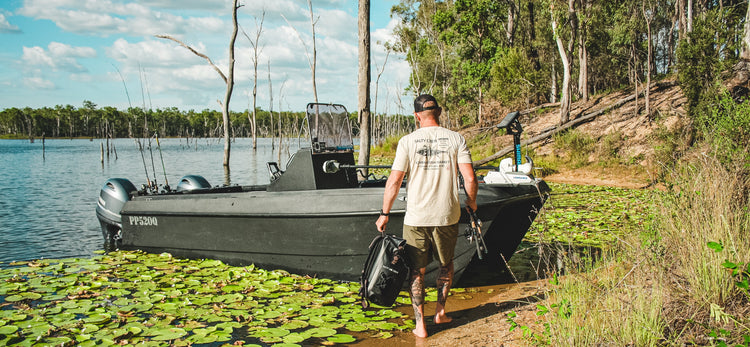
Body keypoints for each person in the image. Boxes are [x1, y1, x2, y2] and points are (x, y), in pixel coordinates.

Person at [375, 94, 477, 338]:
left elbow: (394, 181)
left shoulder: (407, 141)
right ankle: (440, 313)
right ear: (439, 112)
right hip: (447, 216)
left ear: (416, 116)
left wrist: (384, 213)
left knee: (416, 272)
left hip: (416, 218)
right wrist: (471, 204)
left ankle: (420, 326)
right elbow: (470, 179)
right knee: (446, 265)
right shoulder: (456, 139)